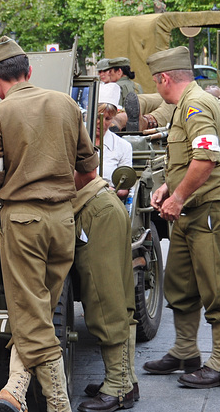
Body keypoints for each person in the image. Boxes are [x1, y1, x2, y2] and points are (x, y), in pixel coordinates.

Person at [0, 36, 98, 412]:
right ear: (29, 72)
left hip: (22, 221)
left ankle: (58, 405)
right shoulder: (67, 104)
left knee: (32, 314)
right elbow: (88, 171)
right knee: (40, 309)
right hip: (63, 219)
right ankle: (15, 386)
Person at [141, 46, 220, 389]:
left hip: (209, 211)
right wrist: (167, 189)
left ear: (165, 78)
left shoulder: (196, 104)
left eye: (157, 83)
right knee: (181, 285)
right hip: (189, 212)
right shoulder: (184, 105)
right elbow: (184, 158)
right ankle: (186, 351)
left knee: (217, 287)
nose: (157, 89)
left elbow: (204, 159)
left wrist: (180, 196)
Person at [72, 168, 138, 412]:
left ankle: (118, 387)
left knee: (104, 299)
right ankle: (127, 381)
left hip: (94, 209)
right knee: (119, 297)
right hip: (102, 202)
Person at [95, 82, 133, 198]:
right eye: (98, 116)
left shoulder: (122, 146)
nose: (101, 122)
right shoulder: (77, 140)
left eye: (107, 119)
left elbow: (125, 188)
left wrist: (111, 190)